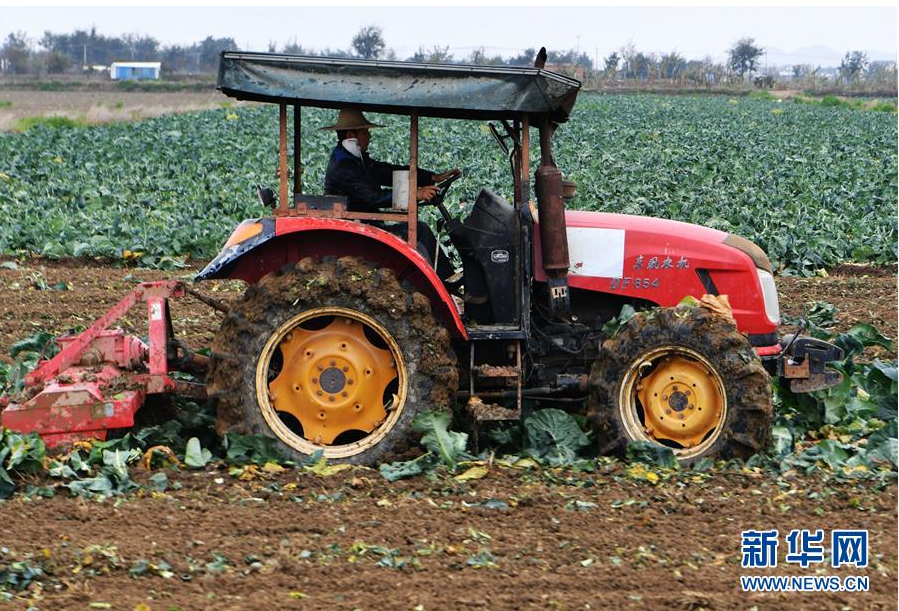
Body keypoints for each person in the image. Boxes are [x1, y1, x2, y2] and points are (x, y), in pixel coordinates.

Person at [321, 108, 461, 284]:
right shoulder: (344, 166)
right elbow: (374, 197)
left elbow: (386, 172)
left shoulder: (356, 159)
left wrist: (432, 177)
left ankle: (447, 280)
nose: (369, 137)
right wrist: (415, 193)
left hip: (367, 223)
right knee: (416, 233)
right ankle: (432, 284)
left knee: (421, 229)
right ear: (351, 135)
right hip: (360, 228)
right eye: (365, 132)